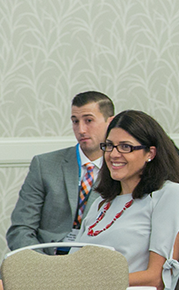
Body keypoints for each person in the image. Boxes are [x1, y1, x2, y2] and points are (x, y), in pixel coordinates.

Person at [75, 110, 179, 290]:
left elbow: (155, 279)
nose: (113, 154)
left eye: (125, 147)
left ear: (150, 153)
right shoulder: (100, 204)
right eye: (109, 145)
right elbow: (72, 264)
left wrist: (90, 283)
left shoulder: (168, 195)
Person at [6, 91, 114, 254]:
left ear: (110, 122)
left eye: (89, 120)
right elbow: (20, 229)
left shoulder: (120, 169)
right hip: (46, 258)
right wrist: (42, 264)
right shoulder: (44, 165)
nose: (81, 129)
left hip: (94, 263)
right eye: (75, 121)